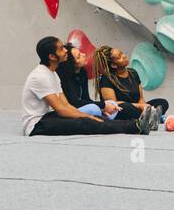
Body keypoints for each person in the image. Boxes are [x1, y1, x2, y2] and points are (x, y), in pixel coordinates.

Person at [22, 36, 158, 136]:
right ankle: (136, 126)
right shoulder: (40, 76)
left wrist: (87, 115)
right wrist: (87, 117)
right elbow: (61, 109)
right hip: (36, 125)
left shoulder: (53, 74)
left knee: (94, 119)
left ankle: (138, 124)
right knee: (86, 123)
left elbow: (66, 105)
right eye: (61, 49)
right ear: (52, 56)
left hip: (47, 117)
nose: (65, 51)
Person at [93, 45, 169, 121]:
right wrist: (139, 106)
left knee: (162, 102)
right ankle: (151, 117)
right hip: (121, 110)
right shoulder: (106, 78)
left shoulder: (133, 73)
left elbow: (141, 98)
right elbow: (113, 104)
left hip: (137, 109)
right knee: (127, 108)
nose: (124, 56)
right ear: (113, 65)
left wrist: (144, 107)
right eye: (120, 57)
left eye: (122, 53)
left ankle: (148, 117)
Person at [57, 45, 120, 120]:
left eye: (80, 52)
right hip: (71, 111)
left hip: (82, 108)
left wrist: (103, 107)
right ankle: (102, 118)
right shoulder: (64, 77)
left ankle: (102, 117)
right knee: (94, 109)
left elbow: (86, 98)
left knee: (112, 103)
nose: (84, 55)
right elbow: (74, 102)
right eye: (79, 56)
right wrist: (102, 105)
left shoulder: (82, 73)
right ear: (72, 64)